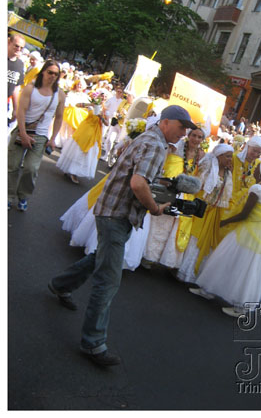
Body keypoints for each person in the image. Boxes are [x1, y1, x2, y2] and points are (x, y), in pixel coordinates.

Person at [48, 105, 197, 366]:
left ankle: (60, 285)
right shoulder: (154, 143)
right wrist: (154, 207)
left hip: (115, 211)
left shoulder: (152, 139)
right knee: (109, 279)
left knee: (99, 260)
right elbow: (138, 184)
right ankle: (93, 343)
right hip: (116, 214)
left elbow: (140, 177)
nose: (184, 133)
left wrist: (165, 186)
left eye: (187, 129)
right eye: (182, 127)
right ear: (166, 122)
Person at [189, 158, 261, 317]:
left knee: (226, 258)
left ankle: (224, 297)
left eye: (258, 168)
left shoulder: (257, 188)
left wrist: (224, 222)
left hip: (249, 232)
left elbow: (244, 214)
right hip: (258, 232)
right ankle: (213, 291)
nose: (254, 169)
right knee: (245, 266)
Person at [143, 127, 206, 269]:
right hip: (167, 187)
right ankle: (147, 255)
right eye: (194, 135)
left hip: (184, 192)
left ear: (202, 140)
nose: (196, 139)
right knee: (157, 222)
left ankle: (157, 258)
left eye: (199, 137)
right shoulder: (176, 148)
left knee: (170, 226)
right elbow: (163, 162)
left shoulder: (201, 156)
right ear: (188, 136)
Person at [8, 60, 65, 211]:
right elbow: (21, 111)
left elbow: (59, 117)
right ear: (43, 72)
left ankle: (23, 196)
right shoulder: (30, 88)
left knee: (31, 168)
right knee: (12, 166)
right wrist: (23, 134)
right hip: (23, 130)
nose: (53, 76)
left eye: (56, 74)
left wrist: (53, 138)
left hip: (40, 137)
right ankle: (8, 196)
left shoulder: (59, 94)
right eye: (50, 72)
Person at [176, 144, 234, 284]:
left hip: (213, 213)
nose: (230, 159)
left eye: (231, 157)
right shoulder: (208, 167)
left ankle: (193, 274)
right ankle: (182, 270)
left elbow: (226, 196)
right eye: (227, 156)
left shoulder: (228, 174)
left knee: (204, 243)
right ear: (218, 157)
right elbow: (199, 186)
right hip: (200, 209)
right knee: (194, 238)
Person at [8, 33, 26, 130]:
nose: (18, 49)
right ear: (9, 43)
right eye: (16, 46)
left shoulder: (19, 64)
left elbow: (16, 88)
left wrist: (16, 109)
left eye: (21, 48)